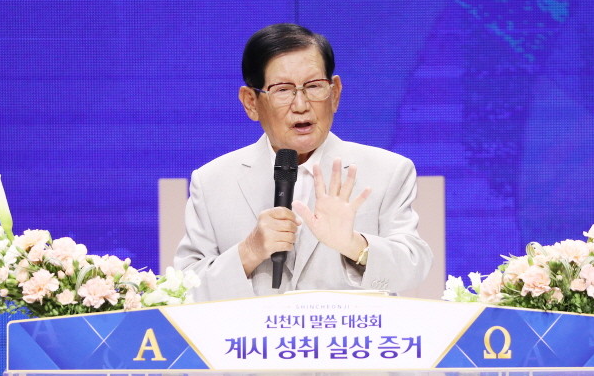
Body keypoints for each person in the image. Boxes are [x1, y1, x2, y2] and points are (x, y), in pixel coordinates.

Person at [174, 23, 432, 301]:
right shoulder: (212, 181)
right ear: (251, 102)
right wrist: (249, 251)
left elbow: (412, 269)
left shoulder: (387, 171)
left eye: (314, 86)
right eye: (283, 90)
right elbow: (184, 289)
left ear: (335, 93)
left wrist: (354, 245)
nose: (301, 105)